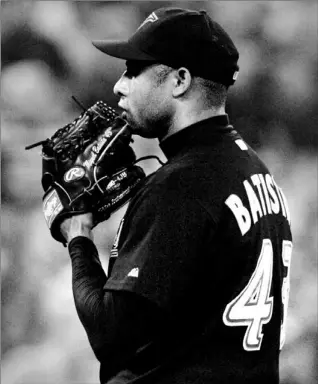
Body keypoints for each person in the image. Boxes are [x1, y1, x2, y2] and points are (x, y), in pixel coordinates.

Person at [60, 7, 293, 384]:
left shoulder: (181, 186)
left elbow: (110, 336)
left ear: (181, 80)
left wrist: (78, 236)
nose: (120, 85)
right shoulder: (255, 170)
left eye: (134, 70)